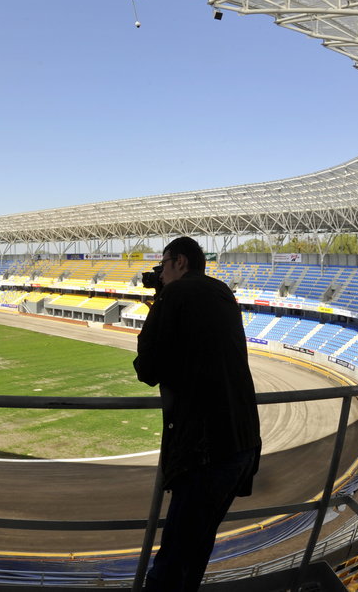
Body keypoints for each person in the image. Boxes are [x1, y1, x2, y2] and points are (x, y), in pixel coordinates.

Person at [134, 236, 262, 591]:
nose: (160, 273)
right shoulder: (222, 292)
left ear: (180, 262)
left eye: (164, 265)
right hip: (244, 443)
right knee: (196, 549)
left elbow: (147, 368)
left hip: (205, 450)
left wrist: (160, 298)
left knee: (171, 563)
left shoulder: (175, 294)